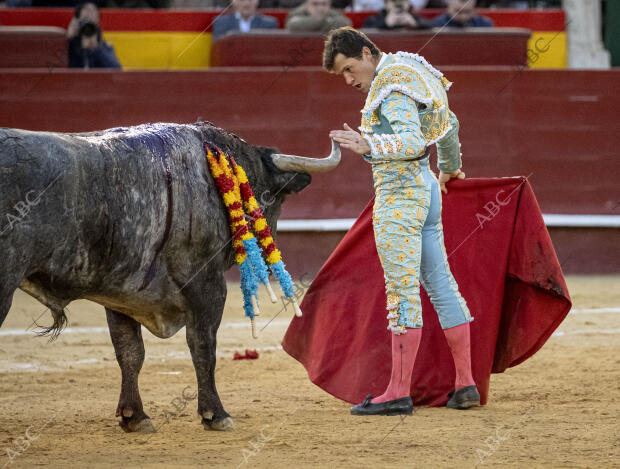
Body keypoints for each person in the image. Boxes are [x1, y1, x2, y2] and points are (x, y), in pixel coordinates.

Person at [325, 27, 479, 415]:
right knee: (442, 285)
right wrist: (449, 168)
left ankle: (397, 391)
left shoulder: (390, 85)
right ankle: (465, 385)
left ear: (365, 52)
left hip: (400, 197)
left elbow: (411, 142)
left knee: (402, 291)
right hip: (426, 190)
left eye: (349, 69)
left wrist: (369, 144)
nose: (349, 80)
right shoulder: (410, 67)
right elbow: (450, 122)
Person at [67, 2, 122, 69]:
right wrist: (68, 39)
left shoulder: (105, 46)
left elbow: (116, 69)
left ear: (98, 20)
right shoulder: (70, 45)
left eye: (93, 10)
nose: (90, 13)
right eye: (86, 9)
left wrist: (95, 49)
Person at [212, 0, 279, 41]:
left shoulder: (269, 24)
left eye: (250, 0)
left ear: (257, 1)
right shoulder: (220, 22)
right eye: (242, 0)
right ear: (233, 1)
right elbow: (219, 50)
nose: (246, 4)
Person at [286, 0, 352, 33]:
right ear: (306, 5)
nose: (320, 8)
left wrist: (310, 25)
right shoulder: (296, 13)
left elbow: (346, 23)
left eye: (324, 4)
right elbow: (292, 25)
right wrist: (326, 21)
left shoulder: (334, 13)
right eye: (315, 4)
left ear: (329, 4)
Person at [362, 0, 431, 30]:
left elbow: (431, 26)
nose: (398, 5)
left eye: (402, 1)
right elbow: (366, 29)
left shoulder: (414, 16)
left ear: (408, 4)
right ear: (386, 4)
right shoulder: (378, 17)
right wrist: (385, 23)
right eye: (393, 1)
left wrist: (415, 24)